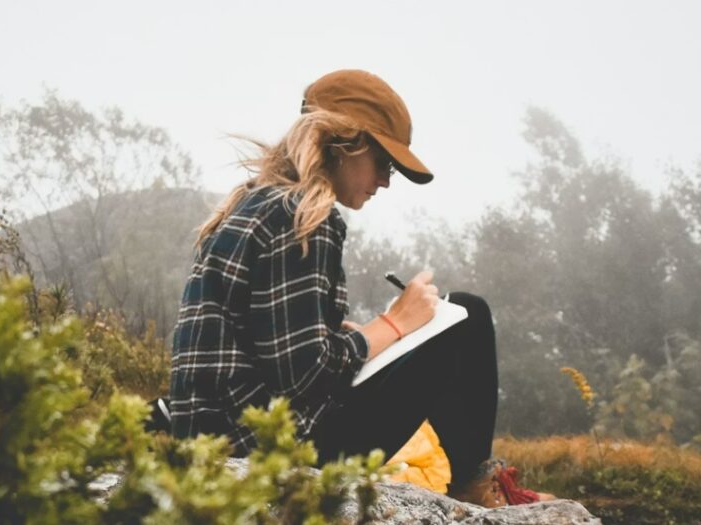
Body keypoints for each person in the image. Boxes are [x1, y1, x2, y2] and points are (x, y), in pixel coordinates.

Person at [168, 69, 553, 507]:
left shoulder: (252, 205)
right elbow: (305, 374)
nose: (386, 181)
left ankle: (466, 482)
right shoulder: (304, 216)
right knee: (467, 315)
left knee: (436, 325)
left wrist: (358, 338)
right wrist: (395, 323)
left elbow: (273, 356)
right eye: (384, 163)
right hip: (273, 450)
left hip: (221, 440)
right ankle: (469, 484)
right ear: (343, 143)